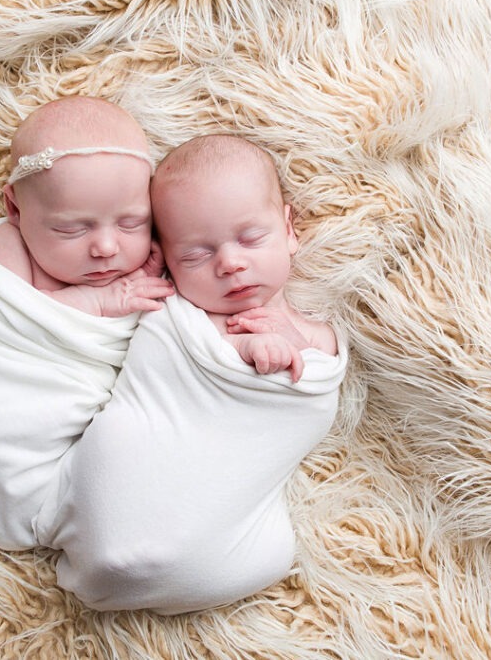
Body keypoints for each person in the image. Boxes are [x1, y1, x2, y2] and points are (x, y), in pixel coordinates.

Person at [34, 134, 350, 614]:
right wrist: (242, 344)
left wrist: (295, 340)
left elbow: (321, 366)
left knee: (275, 553)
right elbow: (61, 321)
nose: (230, 263)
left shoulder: (311, 330)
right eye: (195, 256)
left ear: (289, 228)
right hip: (114, 494)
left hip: (219, 555)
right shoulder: (174, 311)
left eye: (250, 238)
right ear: (165, 259)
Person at [0, 96, 173, 551]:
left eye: (132, 223)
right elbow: (18, 320)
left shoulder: (149, 272)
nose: (104, 246)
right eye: (71, 229)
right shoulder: (5, 248)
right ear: (17, 210)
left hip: (47, 443)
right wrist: (96, 301)